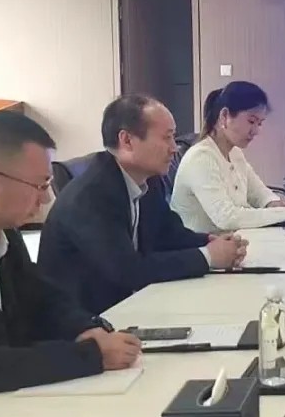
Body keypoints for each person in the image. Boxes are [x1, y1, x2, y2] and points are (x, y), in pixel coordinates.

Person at [0, 111, 141, 417]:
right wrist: (92, 356)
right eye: (40, 185)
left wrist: (85, 329)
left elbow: (41, 299)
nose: (47, 199)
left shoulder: (1, 228)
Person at [38, 95, 246, 315]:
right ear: (127, 140)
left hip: (132, 303)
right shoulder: (90, 195)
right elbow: (128, 270)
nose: (174, 148)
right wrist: (208, 256)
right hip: (87, 319)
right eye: (166, 138)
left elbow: (169, 234)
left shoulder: (147, 179)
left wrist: (212, 242)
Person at [171, 81, 285, 233]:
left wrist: (274, 203)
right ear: (224, 116)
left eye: (259, 123)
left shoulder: (235, 153)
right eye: (251, 121)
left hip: (235, 240)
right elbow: (226, 218)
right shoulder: (201, 157)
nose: (256, 131)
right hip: (204, 245)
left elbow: (258, 193)